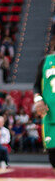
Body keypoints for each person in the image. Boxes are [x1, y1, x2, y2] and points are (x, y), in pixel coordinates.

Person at [33, 38, 55, 171]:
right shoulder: (45, 61)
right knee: (53, 158)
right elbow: (36, 87)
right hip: (50, 115)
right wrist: (38, 99)